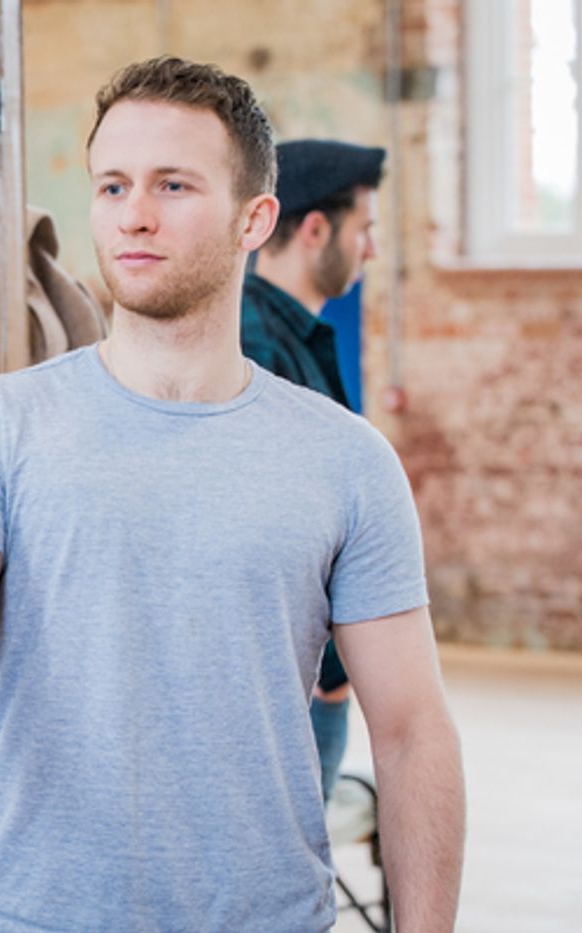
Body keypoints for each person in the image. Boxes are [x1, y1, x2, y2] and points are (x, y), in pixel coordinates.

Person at [0, 56, 463, 932]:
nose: (134, 214)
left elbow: (410, 730)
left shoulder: (346, 460)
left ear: (255, 218)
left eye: (172, 185)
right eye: (113, 186)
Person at [242, 138, 386, 803]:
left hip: (316, 682)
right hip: (290, 692)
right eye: (365, 229)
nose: (371, 250)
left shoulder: (294, 335)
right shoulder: (254, 346)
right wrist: (328, 678)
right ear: (317, 229)